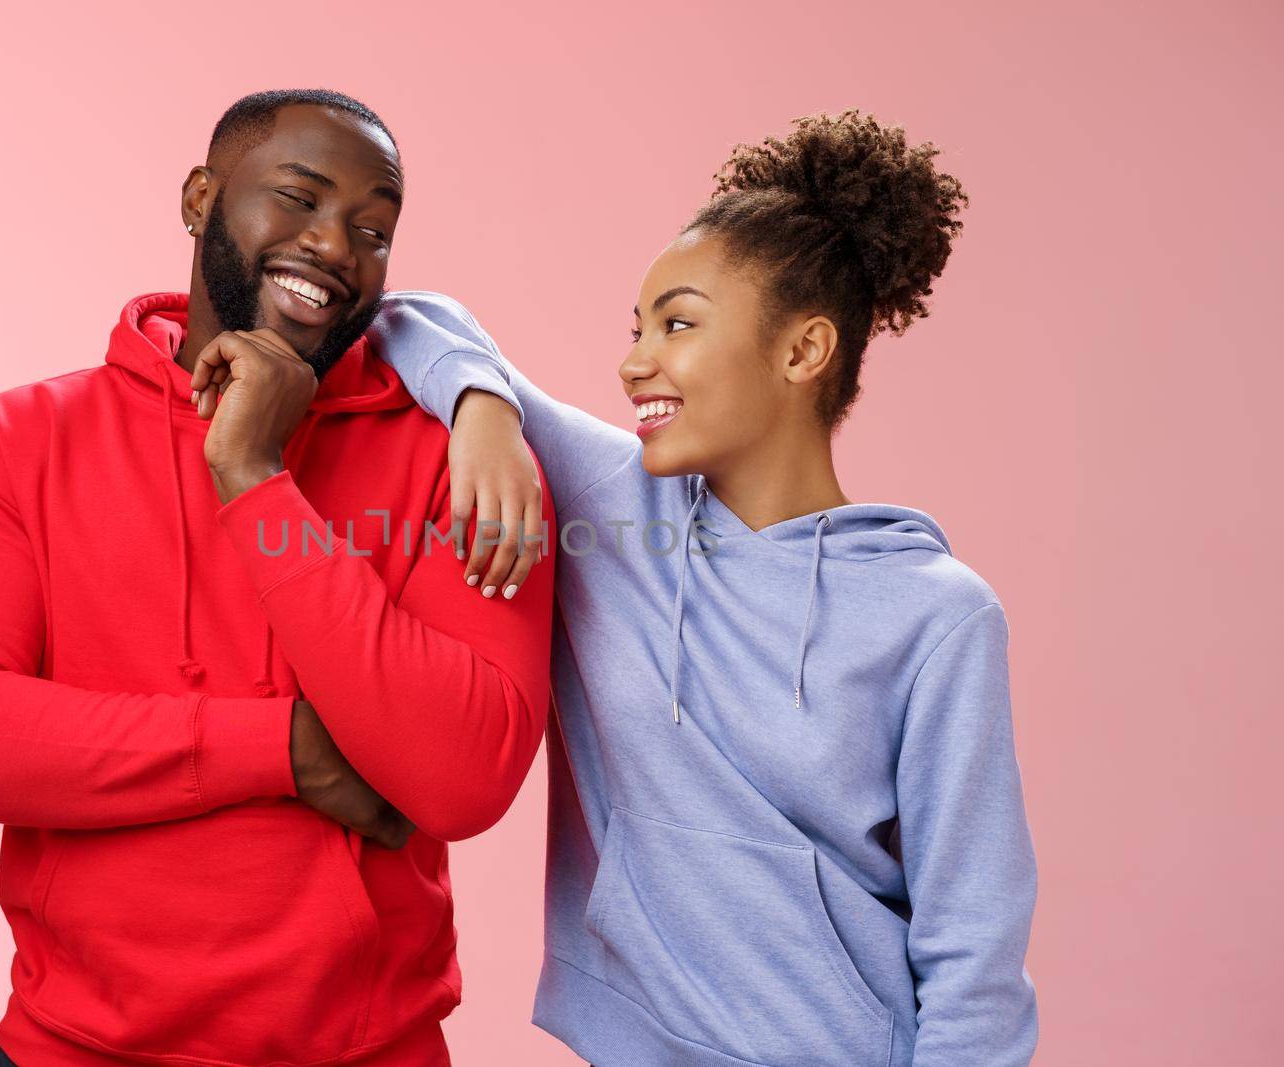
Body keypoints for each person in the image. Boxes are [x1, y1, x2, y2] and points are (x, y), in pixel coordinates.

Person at [0, 89, 554, 1067]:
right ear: (199, 197)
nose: (334, 245)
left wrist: (254, 474)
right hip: (72, 1047)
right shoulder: (24, 439)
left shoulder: (457, 460)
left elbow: (463, 775)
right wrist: (280, 746)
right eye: (301, 198)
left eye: (372, 228)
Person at [370, 112, 1039, 1066]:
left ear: (803, 352)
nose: (634, 360)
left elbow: (975, 944)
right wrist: (483, 410)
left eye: (678, 324)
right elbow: (409, 316)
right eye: (638, 329)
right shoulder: (613, 506)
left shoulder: (938, 613)